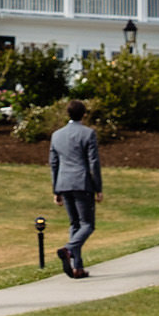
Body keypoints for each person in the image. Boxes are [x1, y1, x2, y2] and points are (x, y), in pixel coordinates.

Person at [48, 99, 103, 278]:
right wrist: (98, 187)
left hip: (64, 182)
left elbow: (53, 163)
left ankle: (77, 267)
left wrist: (56, 189)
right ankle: (69, 249)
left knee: (75, 224)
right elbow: (93, 162)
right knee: (88, 224)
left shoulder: (56, 135)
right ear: (84, 114)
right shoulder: (88, 134)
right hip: (81, 182)